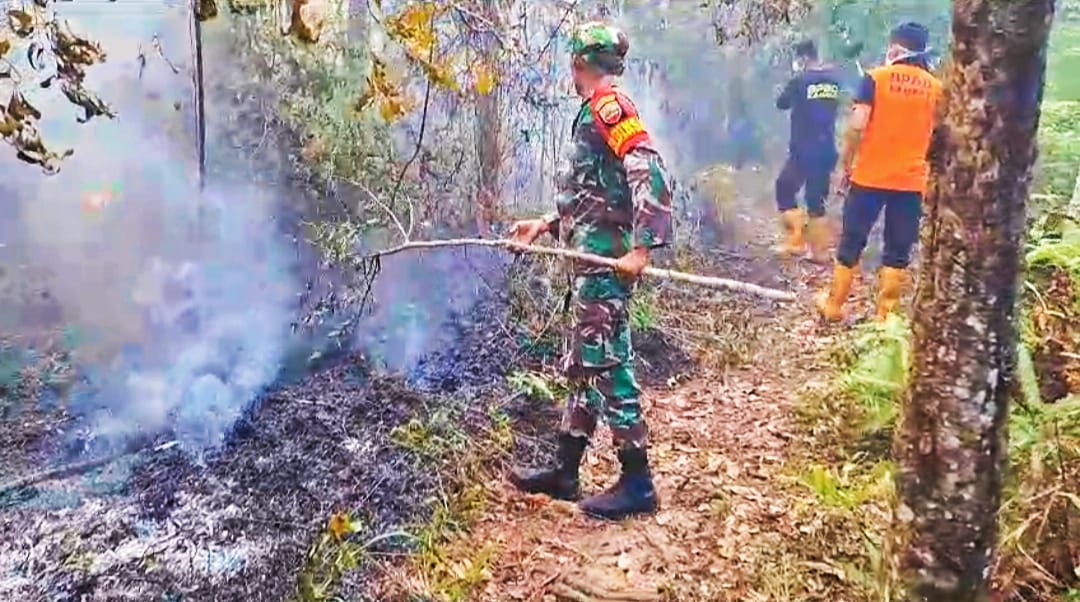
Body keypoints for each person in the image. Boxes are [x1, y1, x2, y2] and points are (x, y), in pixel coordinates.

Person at [506, 21, 673, 521]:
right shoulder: (593, 109)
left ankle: (638, 482)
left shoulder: (608, 107)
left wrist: (642, 249)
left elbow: (649, 170)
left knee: (609, 365)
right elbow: (596, 195)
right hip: (589, 260)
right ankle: (566, 471)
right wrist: (546, 223)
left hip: (605, 267)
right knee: (584, 364)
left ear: (579, 63)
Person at [817, 22, 943, 323]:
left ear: (896, 47)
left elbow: (857, 125)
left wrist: (846, 164)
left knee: (852, 240)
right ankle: (885, 320)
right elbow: (941, 136)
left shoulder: (875, 78)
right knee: (898, 250)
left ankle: (834, 306)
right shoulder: (937, 89)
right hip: (912, 181)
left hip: (869, 177)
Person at [774, 40, 842, 262]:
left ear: (802, 58)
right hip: (827, 149)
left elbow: (781, 103)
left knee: (784, 188)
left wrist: (794, 82)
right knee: (816, 200)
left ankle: (796, 240)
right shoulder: (833, 81)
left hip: (803, 149)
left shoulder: (800, 81)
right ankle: (818, 252)